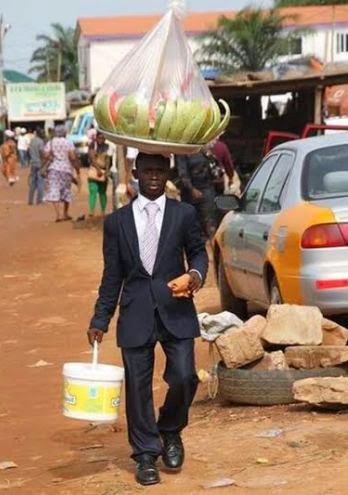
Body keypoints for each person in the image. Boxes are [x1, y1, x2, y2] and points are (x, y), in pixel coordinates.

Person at [87, 153, 208, 486]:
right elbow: (112, 275)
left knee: (185, 377)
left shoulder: (184, 214)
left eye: (160, 170)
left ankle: (170, 429)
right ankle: (144, 455)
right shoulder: (117, 222)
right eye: (148, 171)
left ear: (167, 173)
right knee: (138, 389)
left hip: (176, 308)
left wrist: (194, 276)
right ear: (135, 173)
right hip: (136, 310)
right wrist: (101, 317)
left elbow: (198, 252)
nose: (154, 176)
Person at [175, 151, 218, 239]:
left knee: (209, 222)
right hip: (189, 191)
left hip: (207, 189)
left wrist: (210, 158)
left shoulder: (206, 151)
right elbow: (182, 173)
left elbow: (215, 172)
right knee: (191, 223)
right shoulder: (183, 152)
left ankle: (212, 247)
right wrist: (192, 189)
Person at [44, 125, 79, 222]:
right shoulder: (68, 142)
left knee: (54, 189)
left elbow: (46, 155)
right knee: (66, 190)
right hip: (66, 169)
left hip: (54, 168)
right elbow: (72, 157)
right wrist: (76, 167)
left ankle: (58, 215)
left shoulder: (51, 142)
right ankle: (65, 213)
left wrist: (53, 159)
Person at [87, 131, 112, 217]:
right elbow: (92, 158)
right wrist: (98, 169)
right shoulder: (93, 146)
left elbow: (108, 160)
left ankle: (103, 211)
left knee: (102, 192)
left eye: (103, 138)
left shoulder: (107, 147)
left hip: (103, 171)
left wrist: (107, 171)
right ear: (96, 138)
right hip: (94, 171)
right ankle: (91, 210)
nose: (101, 139)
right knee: (93, 190)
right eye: (99, 138)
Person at [28, 127, 45, 205]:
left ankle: (30, 200)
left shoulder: (32, 141)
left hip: (33, 162)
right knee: (40, 182)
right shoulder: (41, 142)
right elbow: (42, 152)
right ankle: (39, 200)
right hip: (39, 163)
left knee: (33, 182)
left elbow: (28, 151)